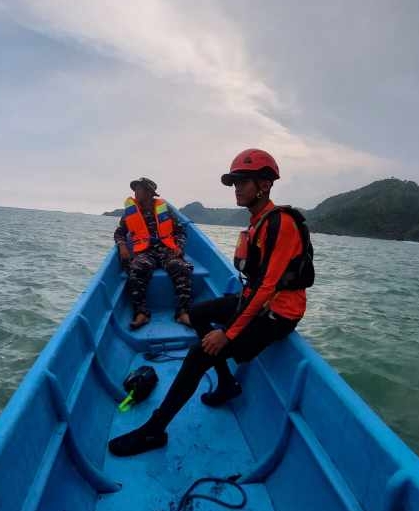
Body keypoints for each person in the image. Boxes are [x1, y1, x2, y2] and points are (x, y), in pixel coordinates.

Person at [108, 149, 313, 457]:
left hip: (277, 313)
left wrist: (228, 334)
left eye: (244, 182)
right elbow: (255, 287)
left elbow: (267, 287)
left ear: (265, 185)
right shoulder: (259, 222)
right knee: (199, 312)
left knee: (198, 353)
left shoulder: (279, 223)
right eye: (234, 182)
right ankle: (227, 383)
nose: (237, 188)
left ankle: (154, 430)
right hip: (256, 303)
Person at [114, 177, 194, 330]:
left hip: (166, 249)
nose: (136, 192)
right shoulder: (131, 212)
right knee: (136, 268)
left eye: (139, 189)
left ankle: (183, 312)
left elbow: (180, 231)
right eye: (135, 189)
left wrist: (179, 247)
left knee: (181, 267)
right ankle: (141, 313)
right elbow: (119, 233)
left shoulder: (164, 209)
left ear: (150, 192)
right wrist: (122, 246)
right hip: (145, 251)